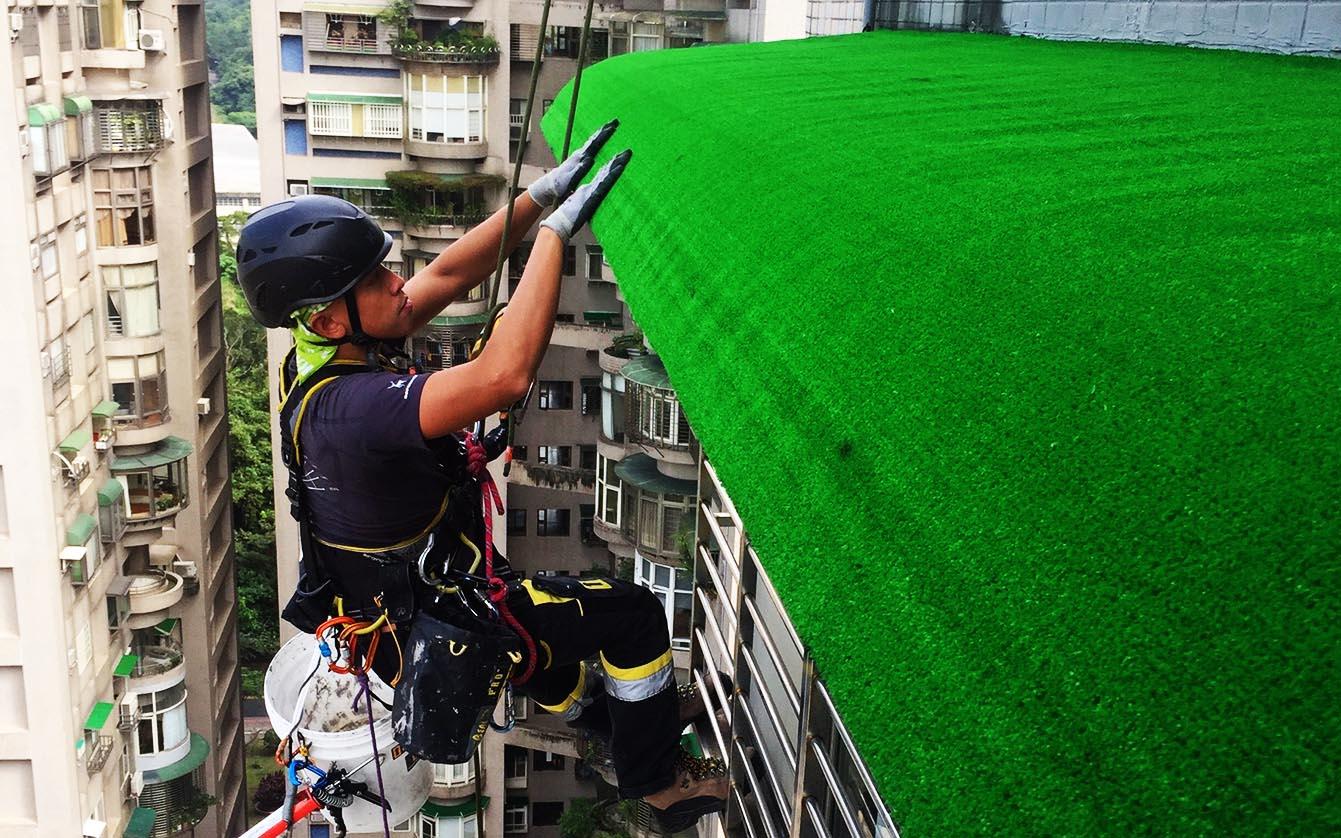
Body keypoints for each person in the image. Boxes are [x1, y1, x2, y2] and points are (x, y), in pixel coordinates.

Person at [236, 122, 727, 831]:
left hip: (408, 607)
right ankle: (655, 780)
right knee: (632, 616)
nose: (397, 281)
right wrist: (556, 238)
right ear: (327, 315)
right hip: (437, 612)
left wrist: (535, 201)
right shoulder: (350, 409)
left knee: (540, 655)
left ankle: (614, 720)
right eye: (375, 278)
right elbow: (503, 375)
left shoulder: (316, 357)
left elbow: (443, 278)